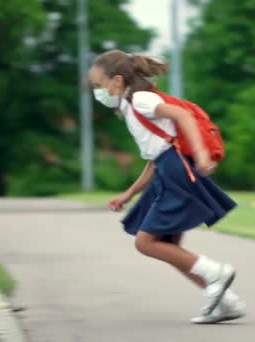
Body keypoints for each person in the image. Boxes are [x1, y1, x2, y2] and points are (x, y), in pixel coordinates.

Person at [88, 49, 245, 324]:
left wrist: (202, 154)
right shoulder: (130, 107)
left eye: (98, 86)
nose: (97, 92)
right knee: (169, 247)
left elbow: (183, 116)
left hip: (177, 172)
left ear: (117, 81)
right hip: (166, 170)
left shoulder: (142, 100)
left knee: (146, 242)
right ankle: (226, 302)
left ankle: (216, 274)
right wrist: (129, 194)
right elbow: (155, 158)